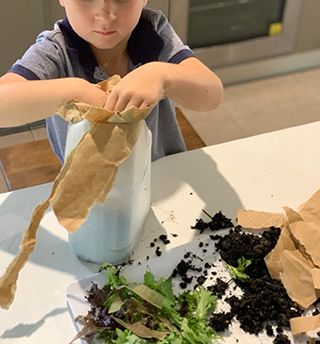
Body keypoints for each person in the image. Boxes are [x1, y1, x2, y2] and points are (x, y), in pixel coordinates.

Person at [0, 0, 223, 163]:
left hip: (162, 172)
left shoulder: (153, 31)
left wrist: (163, 75)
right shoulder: (56, 50)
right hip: (90, 188)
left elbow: (211, 94)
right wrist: (73, 90)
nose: (106, 16)